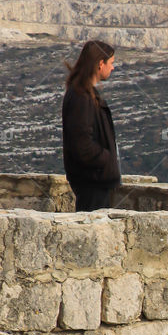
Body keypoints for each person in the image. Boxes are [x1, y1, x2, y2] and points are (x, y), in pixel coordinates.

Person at [62, 40, 122, 211]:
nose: (113, 68)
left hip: (94, 179)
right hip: (92, 180)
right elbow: (82, 145)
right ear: (100, 64)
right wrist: (106, 158)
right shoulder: (81, 96)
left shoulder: (83, 93)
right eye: (111, 63)